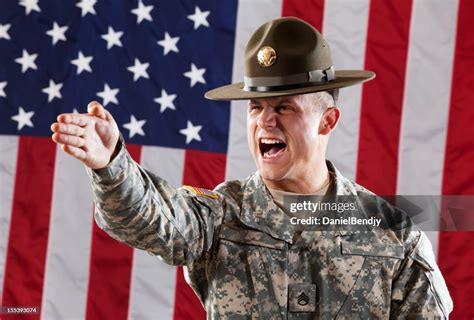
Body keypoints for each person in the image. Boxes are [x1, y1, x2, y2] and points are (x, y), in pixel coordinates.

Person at [50, 17, 453, 319]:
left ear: (327, 121)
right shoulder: (220, 214)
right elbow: (156, 221)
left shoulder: (394, 235)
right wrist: (110, 164)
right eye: (256, 107)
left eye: (284, 108)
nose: (265, 121)